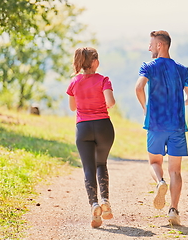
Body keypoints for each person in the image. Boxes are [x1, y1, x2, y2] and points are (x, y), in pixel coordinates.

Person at [135, 30, 188, 226]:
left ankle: (160, 182)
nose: (149, 48)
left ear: (160, 45)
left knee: (154, 162)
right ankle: (173, 210)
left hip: (156, 124)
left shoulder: (149, 66)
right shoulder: (182, 69)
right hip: (177, 125)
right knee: (176, 171)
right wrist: (179, 104)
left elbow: (138, 88)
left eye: (151, 44)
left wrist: (146, 109)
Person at [66, 47, 115, 228]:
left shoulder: (74, 82)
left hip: (83, 128)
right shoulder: (103, 80)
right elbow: (110, 102)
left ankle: (94, 205)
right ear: (94, 62)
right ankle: (105, 202)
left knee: (88, 168)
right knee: (101, 164)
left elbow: (73, 107)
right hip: (103, 126)